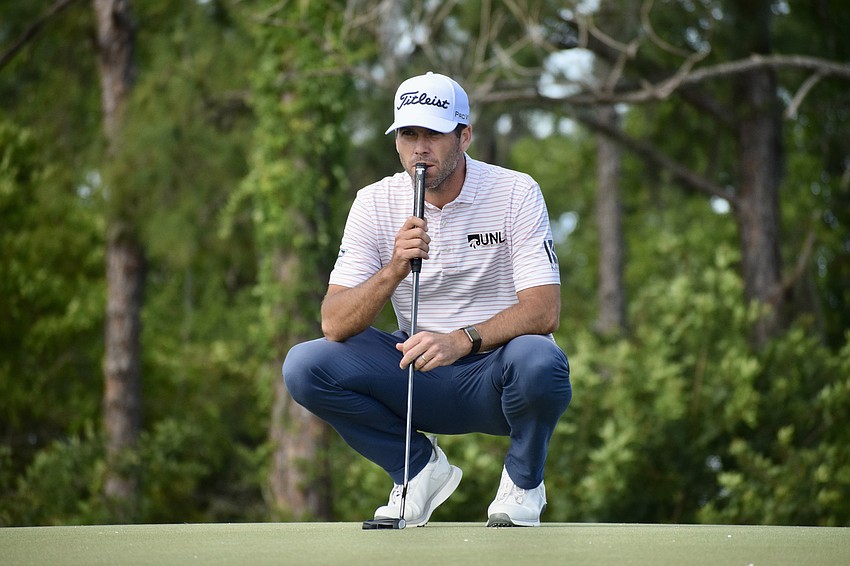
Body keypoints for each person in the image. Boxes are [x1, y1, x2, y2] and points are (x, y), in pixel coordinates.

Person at [282, 72, 572, 527]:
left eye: (433, 133)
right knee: (305, 365)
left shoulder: (515, 191)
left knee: (542, 360)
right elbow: (334, 323)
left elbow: (544, 309)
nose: (420, 148)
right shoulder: (374, 202)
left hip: (498, 379)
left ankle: (523, 481)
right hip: (418, 377)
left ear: (464, 135)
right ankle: (417, 469)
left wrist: (461, 339)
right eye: (408, 134)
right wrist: (395, 267)